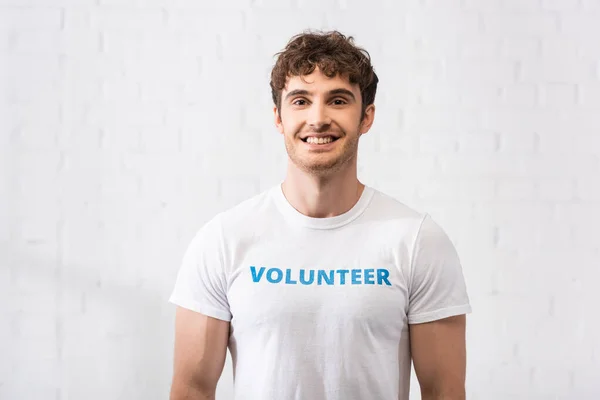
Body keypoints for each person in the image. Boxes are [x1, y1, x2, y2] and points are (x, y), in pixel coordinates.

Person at [168, 30, 472, 400]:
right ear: (278, 117)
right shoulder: (224, 240)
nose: (318, 118)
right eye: (300, 100)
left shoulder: (417, 240)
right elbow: (192, 389)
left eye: (338, 100)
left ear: (366, 117)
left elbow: (444, 391)